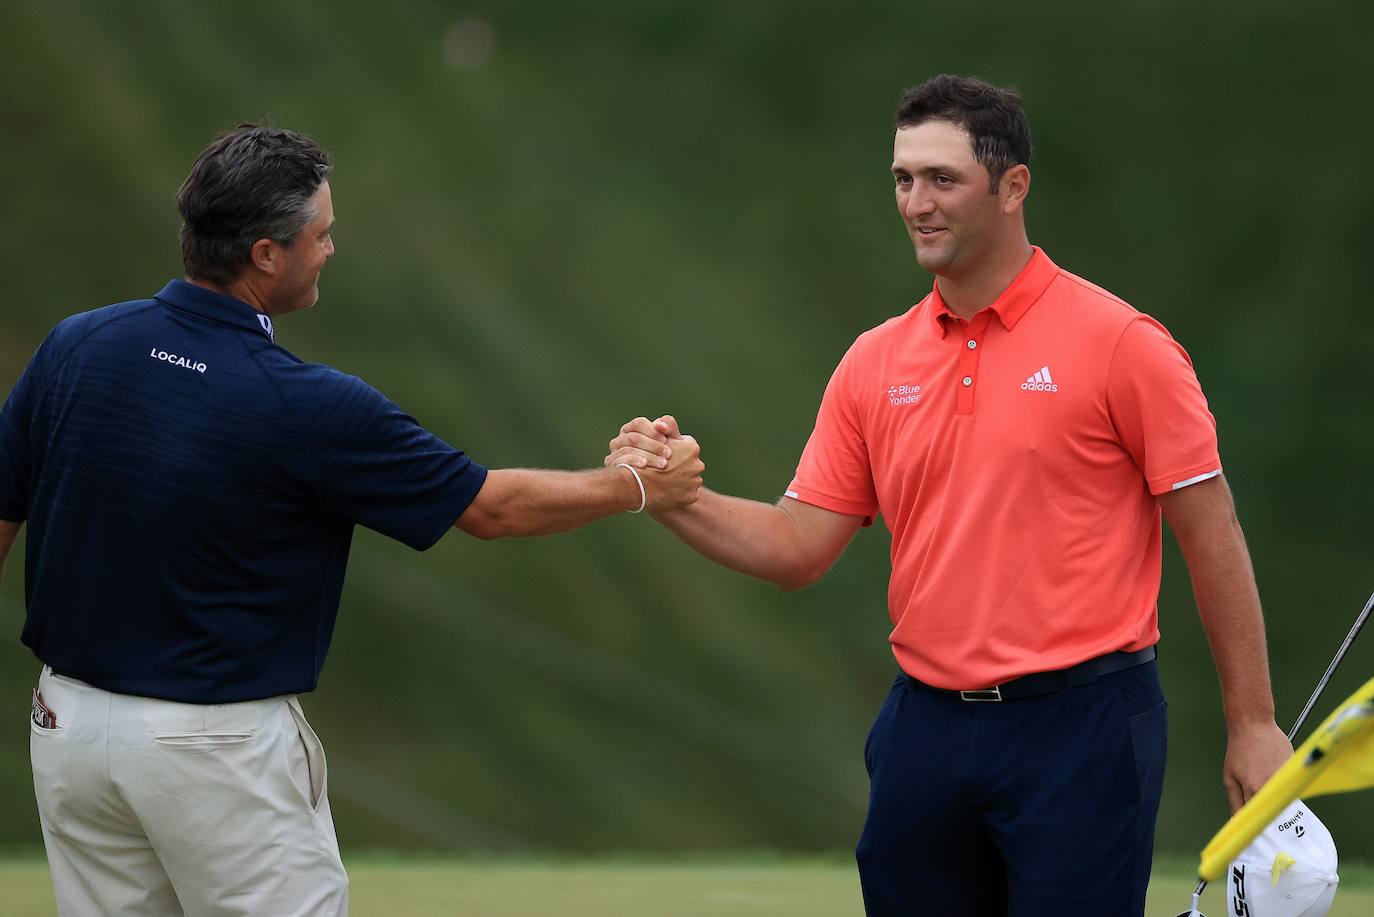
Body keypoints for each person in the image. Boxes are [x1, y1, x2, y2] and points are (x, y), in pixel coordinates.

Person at [605, 75, 1293, 916]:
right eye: (903, 178)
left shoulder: (1123, 343)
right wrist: (671, 496)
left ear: (1013, 187)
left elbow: (1210, 530)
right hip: (925, 727)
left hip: (1082, 724)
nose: (917, 203)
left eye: (942, 179)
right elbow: (796, 546)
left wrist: (1253, 722)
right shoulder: (874, 361)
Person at [0, 123, 702, 917]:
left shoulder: (76, 346)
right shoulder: (308, 403)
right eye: (321, 234)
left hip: (66, 728)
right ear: (267, 254)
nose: (331, 248)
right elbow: (489, 507)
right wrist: (637, 486)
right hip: (214, 749)